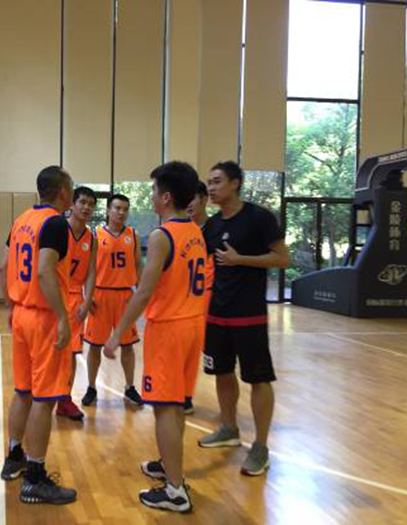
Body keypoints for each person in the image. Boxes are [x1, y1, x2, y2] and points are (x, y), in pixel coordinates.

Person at [104, 161, 206, 513]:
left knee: (165, 407)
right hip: (193, 324)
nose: (150, 196)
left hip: (170, 329)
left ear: (165, 197)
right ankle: (168, 465)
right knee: (177, 403)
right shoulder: (195, 230)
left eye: (153, 190)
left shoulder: (163, 236)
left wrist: (117, 333)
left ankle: (175, 490)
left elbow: (144, 292)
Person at [198, 161, 289, 477]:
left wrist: (241, 259)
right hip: (217, 313)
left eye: (217, 181)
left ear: (235, 183)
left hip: (249, 314)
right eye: (209, 182)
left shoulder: (259, 217)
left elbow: (283, 258)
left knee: (258, 379)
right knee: (222, 373)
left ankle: (261, 447)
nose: (211, 188)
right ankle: (228, 428)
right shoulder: (211, 226)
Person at [0, 166, 77, 505]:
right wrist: (62, 317)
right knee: (45, 399)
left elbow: (4, 267)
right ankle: (34, 476)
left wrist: (10, 305)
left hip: (21, 314)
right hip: (44, 317)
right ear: (63, 192)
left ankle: (14, 455)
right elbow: (45, 271)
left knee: (23, 392)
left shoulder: (22, 220)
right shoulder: (56, 223)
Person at [82, 194, 143, 407]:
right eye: (117, 208)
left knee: (128, 346)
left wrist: (139, 292)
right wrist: (87, 295)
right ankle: (91, 387)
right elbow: (87, 268)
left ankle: (130, 387)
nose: (121, 212)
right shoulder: (95, 235)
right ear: (108, 210)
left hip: (125, 296)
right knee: (95, 346)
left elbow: (138, 265)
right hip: (100, 295)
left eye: (125, 209)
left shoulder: (133, 235)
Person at [56, 186, 98, 421]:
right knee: (53, 350)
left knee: (71, 352)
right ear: (72, 204)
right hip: (55, 297)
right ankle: (42, 394)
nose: (86, 207)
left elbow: (91, 271)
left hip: (76, 299)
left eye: (91, 204)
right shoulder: (59, 229)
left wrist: (87, 299)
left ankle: (65, 398)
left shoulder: (91, 238)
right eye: (82, 202)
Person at [183, 179, 210, 415]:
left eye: (193, 198)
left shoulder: (215, 228)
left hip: (210, 300)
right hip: (184, 300)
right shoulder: (182, 229)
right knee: (184, 350)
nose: (189, 203)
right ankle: (182, 395)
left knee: (205, 353)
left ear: (204, 199)